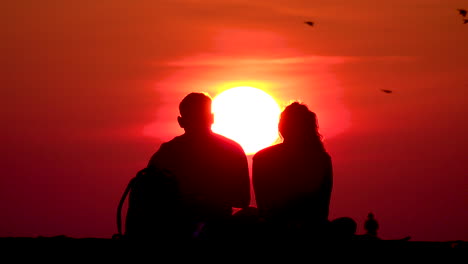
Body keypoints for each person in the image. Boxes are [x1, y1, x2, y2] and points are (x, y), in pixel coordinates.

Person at [147, 92, 251, 241]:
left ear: (180, 121)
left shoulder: (166, 153)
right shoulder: (232, 150)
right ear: (212, 118)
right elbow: (242, 200)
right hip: (214, 228)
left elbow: (149, 199)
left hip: (178, 230)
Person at [252, 101, 333, 242]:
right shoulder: (321, 158)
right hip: (310, 227)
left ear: (281, 127)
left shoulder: (262, 157)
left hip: (275, 226)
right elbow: (323, 205)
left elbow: (262, 204)